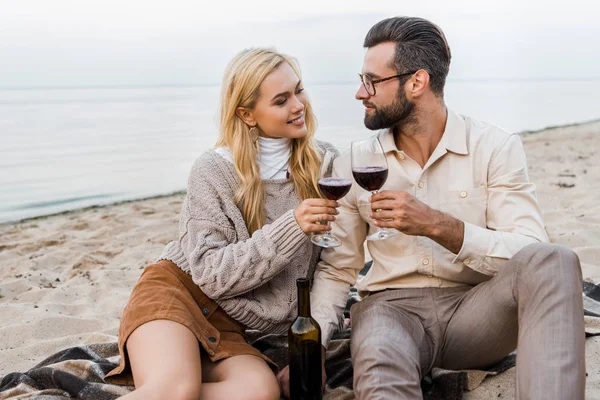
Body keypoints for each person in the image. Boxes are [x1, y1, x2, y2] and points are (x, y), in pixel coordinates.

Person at [307, 16, 585, 400]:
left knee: (555, 259)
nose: (360, 92)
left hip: (478, 314)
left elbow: (529, 252)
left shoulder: (495, 147)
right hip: (390, 313)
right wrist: (313, 350)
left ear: (416, 82)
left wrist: (440, 226)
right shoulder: (357, 161)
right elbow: (339, 269)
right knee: (381, 372)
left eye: (372, 81)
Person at [105, 48, 339, 400]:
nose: (298, 105)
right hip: (180, 293)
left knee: (260, 392)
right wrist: (293, 225)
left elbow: (335, 263)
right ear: (247, 114)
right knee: (175, 389)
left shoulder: (326, 164)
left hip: (234, 325)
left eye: (299, 90)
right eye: (281, 100)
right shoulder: (213, 170)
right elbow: (210, 273)